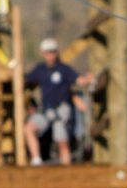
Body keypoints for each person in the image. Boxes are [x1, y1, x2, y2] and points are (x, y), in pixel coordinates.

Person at [24, 38, 90, 166]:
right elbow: (26, 80)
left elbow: (79, 80)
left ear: (57, 52)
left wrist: (88, 78)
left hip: (61, 112)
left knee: (62, 142)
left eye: (53, 52)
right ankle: (36, 160)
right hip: (45, 111)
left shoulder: (64, 70)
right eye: (47, 52)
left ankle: (67, 169)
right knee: (29, 128)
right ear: (42, 53)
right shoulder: (40, 69)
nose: (50, 55)